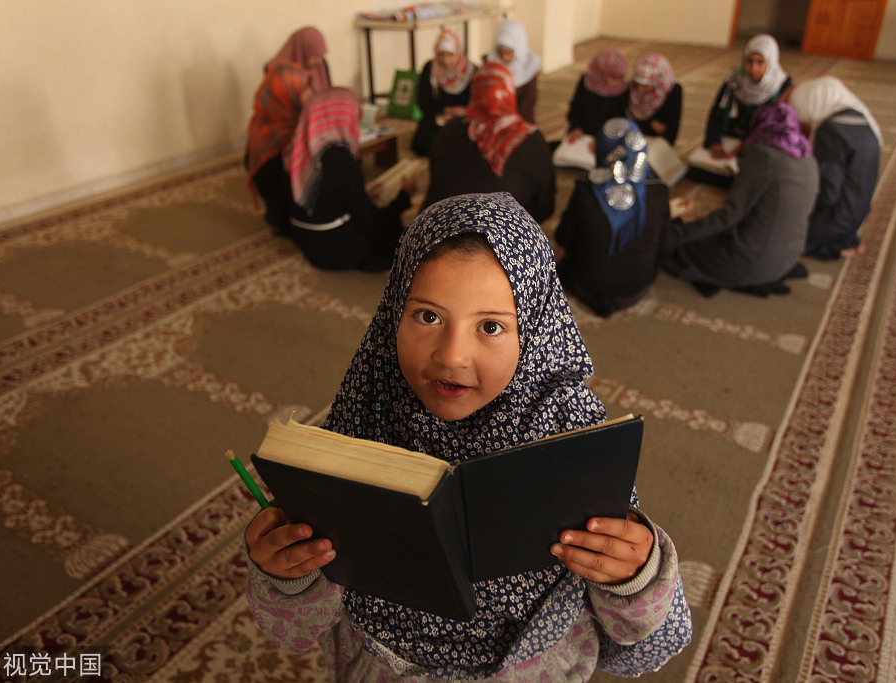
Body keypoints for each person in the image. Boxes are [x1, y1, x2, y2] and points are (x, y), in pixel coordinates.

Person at [245, 191, 692, 681]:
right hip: (379, 661)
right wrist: (287, 574)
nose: (452, 355)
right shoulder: (362, 411)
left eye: (491, 327)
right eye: (428, 316)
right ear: (394, 310)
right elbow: (302, 618)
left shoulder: (571, 429)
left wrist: (635, 574)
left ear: (536, 330)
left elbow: (643, 629)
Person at [663, 103, 818, 297]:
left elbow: (729, 216)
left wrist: (680, 233)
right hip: (789, 257)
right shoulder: (807, 155)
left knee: (678, 248)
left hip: (752, 262)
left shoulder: (763, 154)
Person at [285, 87, 415, 271]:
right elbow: (370, 222)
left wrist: (361, 194)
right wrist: (404, 197)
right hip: (336, 251)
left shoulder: (297, 150)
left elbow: (325, 195)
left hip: (305, 241)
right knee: (395, 229)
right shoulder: (339, 159)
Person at [556, 118, 676, 317]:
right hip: (635, 288)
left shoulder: (586, 189)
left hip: (585, 285)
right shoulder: (658, 191)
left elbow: (563, 238)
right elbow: (665, 245)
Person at [423, 62, 555, 222]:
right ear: (509, 93)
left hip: (437, 231)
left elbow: (435, 181)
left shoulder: (449, 130)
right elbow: (546, 206)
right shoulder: (531, 140)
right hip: (501, 238)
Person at [245, 26, 331, 232]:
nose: (319, 61)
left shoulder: (315, 69)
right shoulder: (281, 76)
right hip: (275, 145)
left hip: (301, 125)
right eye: (315, 56)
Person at [789, 76, 883, 260]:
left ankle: (831, 247)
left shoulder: (830, 131)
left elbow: (827, 195)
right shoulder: (864, 122)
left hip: (836, 221)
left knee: (777, 228)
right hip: (856, 218)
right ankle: (844, 241)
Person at [703, 34, 792, 160]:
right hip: (730, 141)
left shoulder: (782, 85)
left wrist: (743, 147)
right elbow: (717, 114)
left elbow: (776, 126)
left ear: (770, 63)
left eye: (760, 62)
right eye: (749, 61)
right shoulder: (734, 80)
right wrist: (714, 143)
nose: (753, 68)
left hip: (760, 143)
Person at [411, 28, 476, 157]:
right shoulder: (430, 69)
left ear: (458, 53)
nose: (446, 60)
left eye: (450, 55)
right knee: (425, 142)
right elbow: (423, 101)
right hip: (437, 117)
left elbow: (478, 103)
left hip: (463, 120)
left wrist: (463, 112)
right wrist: (445, 110)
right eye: (441, 55)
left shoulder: (471, 72)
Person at [564, 49, 630, 145]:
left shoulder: (623, 91)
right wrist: (576, 127)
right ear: (602, 73)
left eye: (621, 77)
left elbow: (620, 121)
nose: (617, 82)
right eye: (613, 77)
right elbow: (575, 108)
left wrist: (603, 139)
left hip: (608, 138)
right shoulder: (586, 83)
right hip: (582, 135)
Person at [486, 18, 541, 123]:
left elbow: (527, 104)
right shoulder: (490, 66)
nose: (504, 58)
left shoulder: (529, 67)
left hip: (521, 122)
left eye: (508, 53)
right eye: (500, 53)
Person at [627, 53, 683, 145]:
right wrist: (650, 125)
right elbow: (623, 123)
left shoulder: (672, 91)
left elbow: (670, 135)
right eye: (638, 84)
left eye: (646, 86)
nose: (640, 89)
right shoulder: (632, 88)